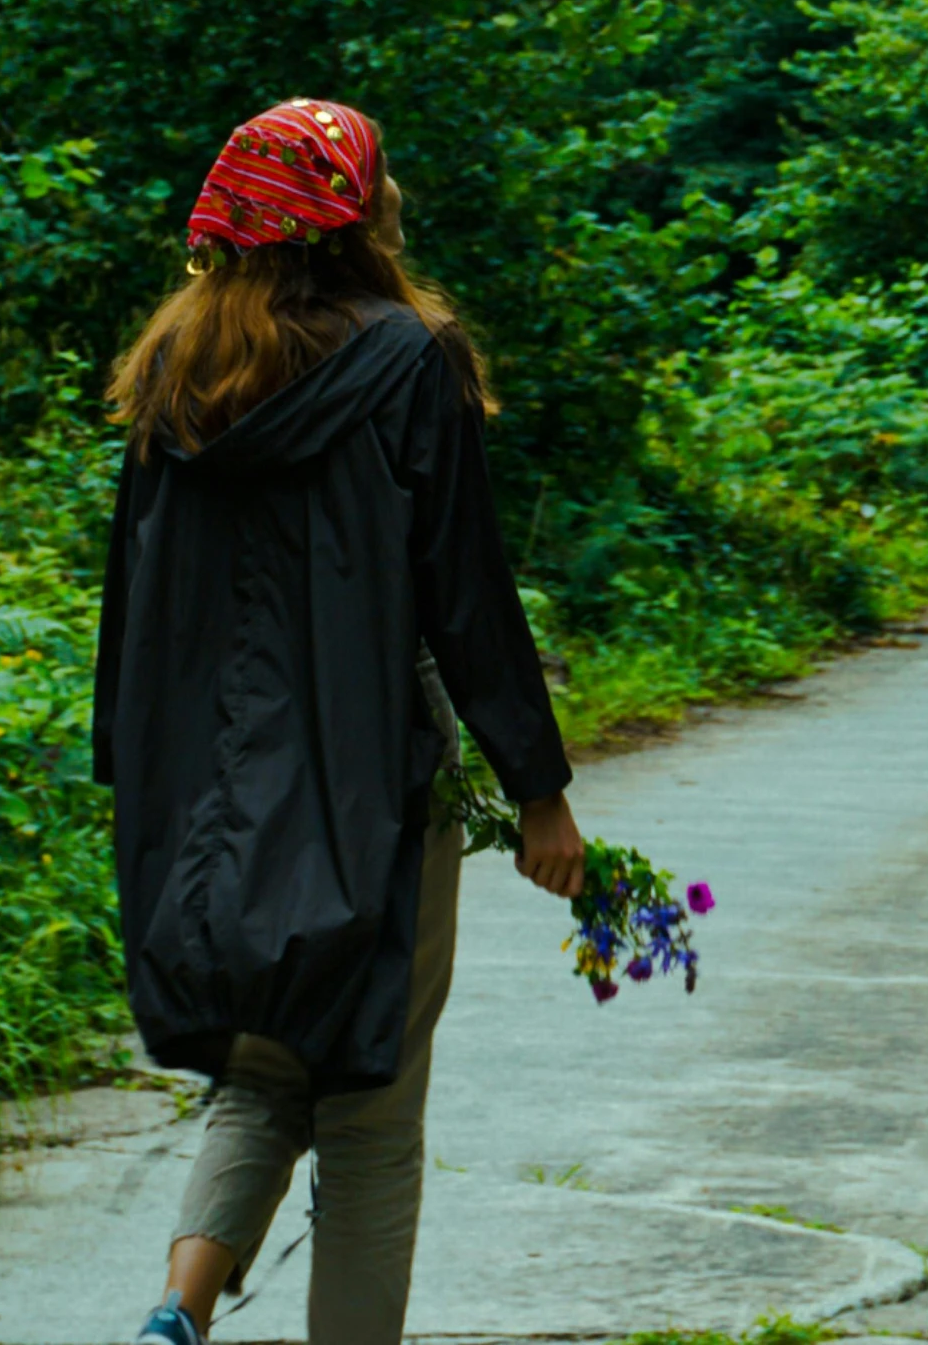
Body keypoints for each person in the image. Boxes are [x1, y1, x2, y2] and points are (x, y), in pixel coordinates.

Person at [93, 98, 584, 1345]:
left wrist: (130, 775)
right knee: (368, 1103)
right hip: (366, 773)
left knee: (263, 1070)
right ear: (358, 208)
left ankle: (174, 1313)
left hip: (204, 784)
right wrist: (536, 788)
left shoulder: (172, 366)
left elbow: (130, 591)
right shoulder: (407, 360)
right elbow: (463, 591)